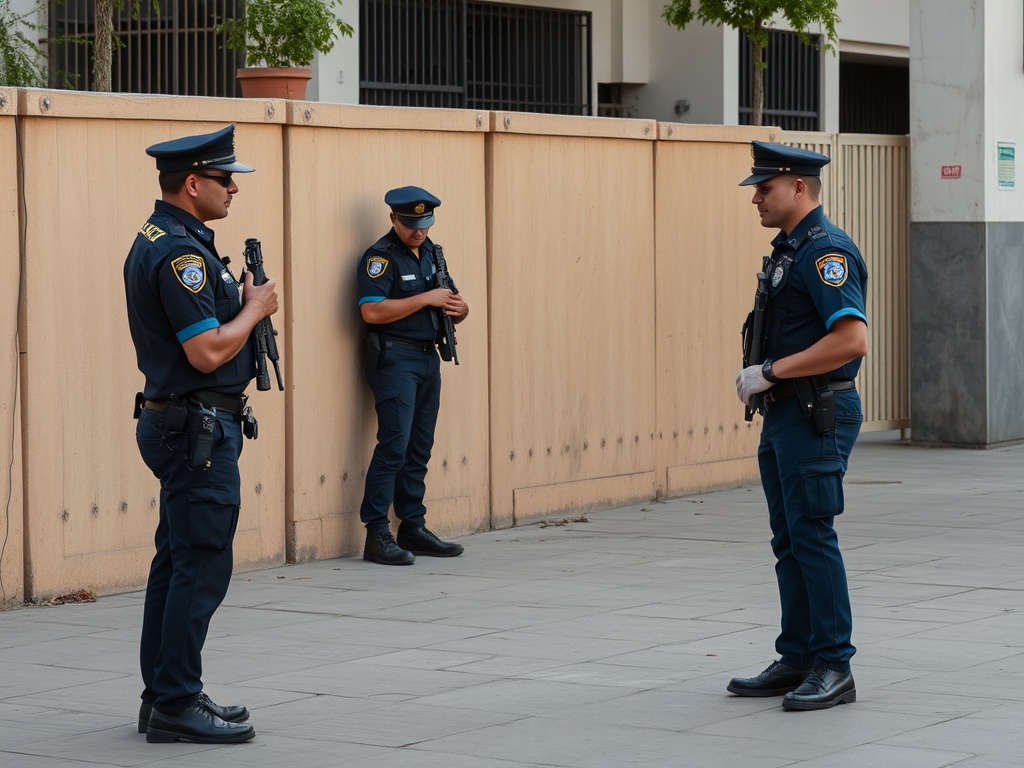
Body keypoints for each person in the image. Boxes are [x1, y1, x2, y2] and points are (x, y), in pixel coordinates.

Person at [124, 124, 278, 743]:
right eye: (224, 179)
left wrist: (238, 302)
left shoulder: (170, 236)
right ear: (192, 183)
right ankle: (176, 701)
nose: (233, 189)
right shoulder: (180, 254)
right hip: (196, 427)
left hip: (188, 424)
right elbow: (208, 350)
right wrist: (254, 309)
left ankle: (165, 693)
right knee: (201, 564)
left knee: (177, 561)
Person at [731, 141, 869, 711]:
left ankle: (834, 664)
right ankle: (799, 655)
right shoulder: (791, 249)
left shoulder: (824, 252)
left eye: (765, 187)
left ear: (799, 187)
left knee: (812, 536)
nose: (756, 197)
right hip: (788, 411)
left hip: (816, 411)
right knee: (789, 540)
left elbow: (851, 339)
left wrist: (770, 370)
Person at [356, 186, 469, 565]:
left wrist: (460, 307)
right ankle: (376, 533)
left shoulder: (433, 254)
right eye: (410, 224)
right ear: (394, 219)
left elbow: (449, 299)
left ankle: (412, 527)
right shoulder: (380, 258)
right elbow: (371, 312)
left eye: (424, 223)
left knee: (418, 448)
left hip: (427, 359)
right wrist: (425, 299)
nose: (418, 231)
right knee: (394, 446)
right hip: (395, 359)